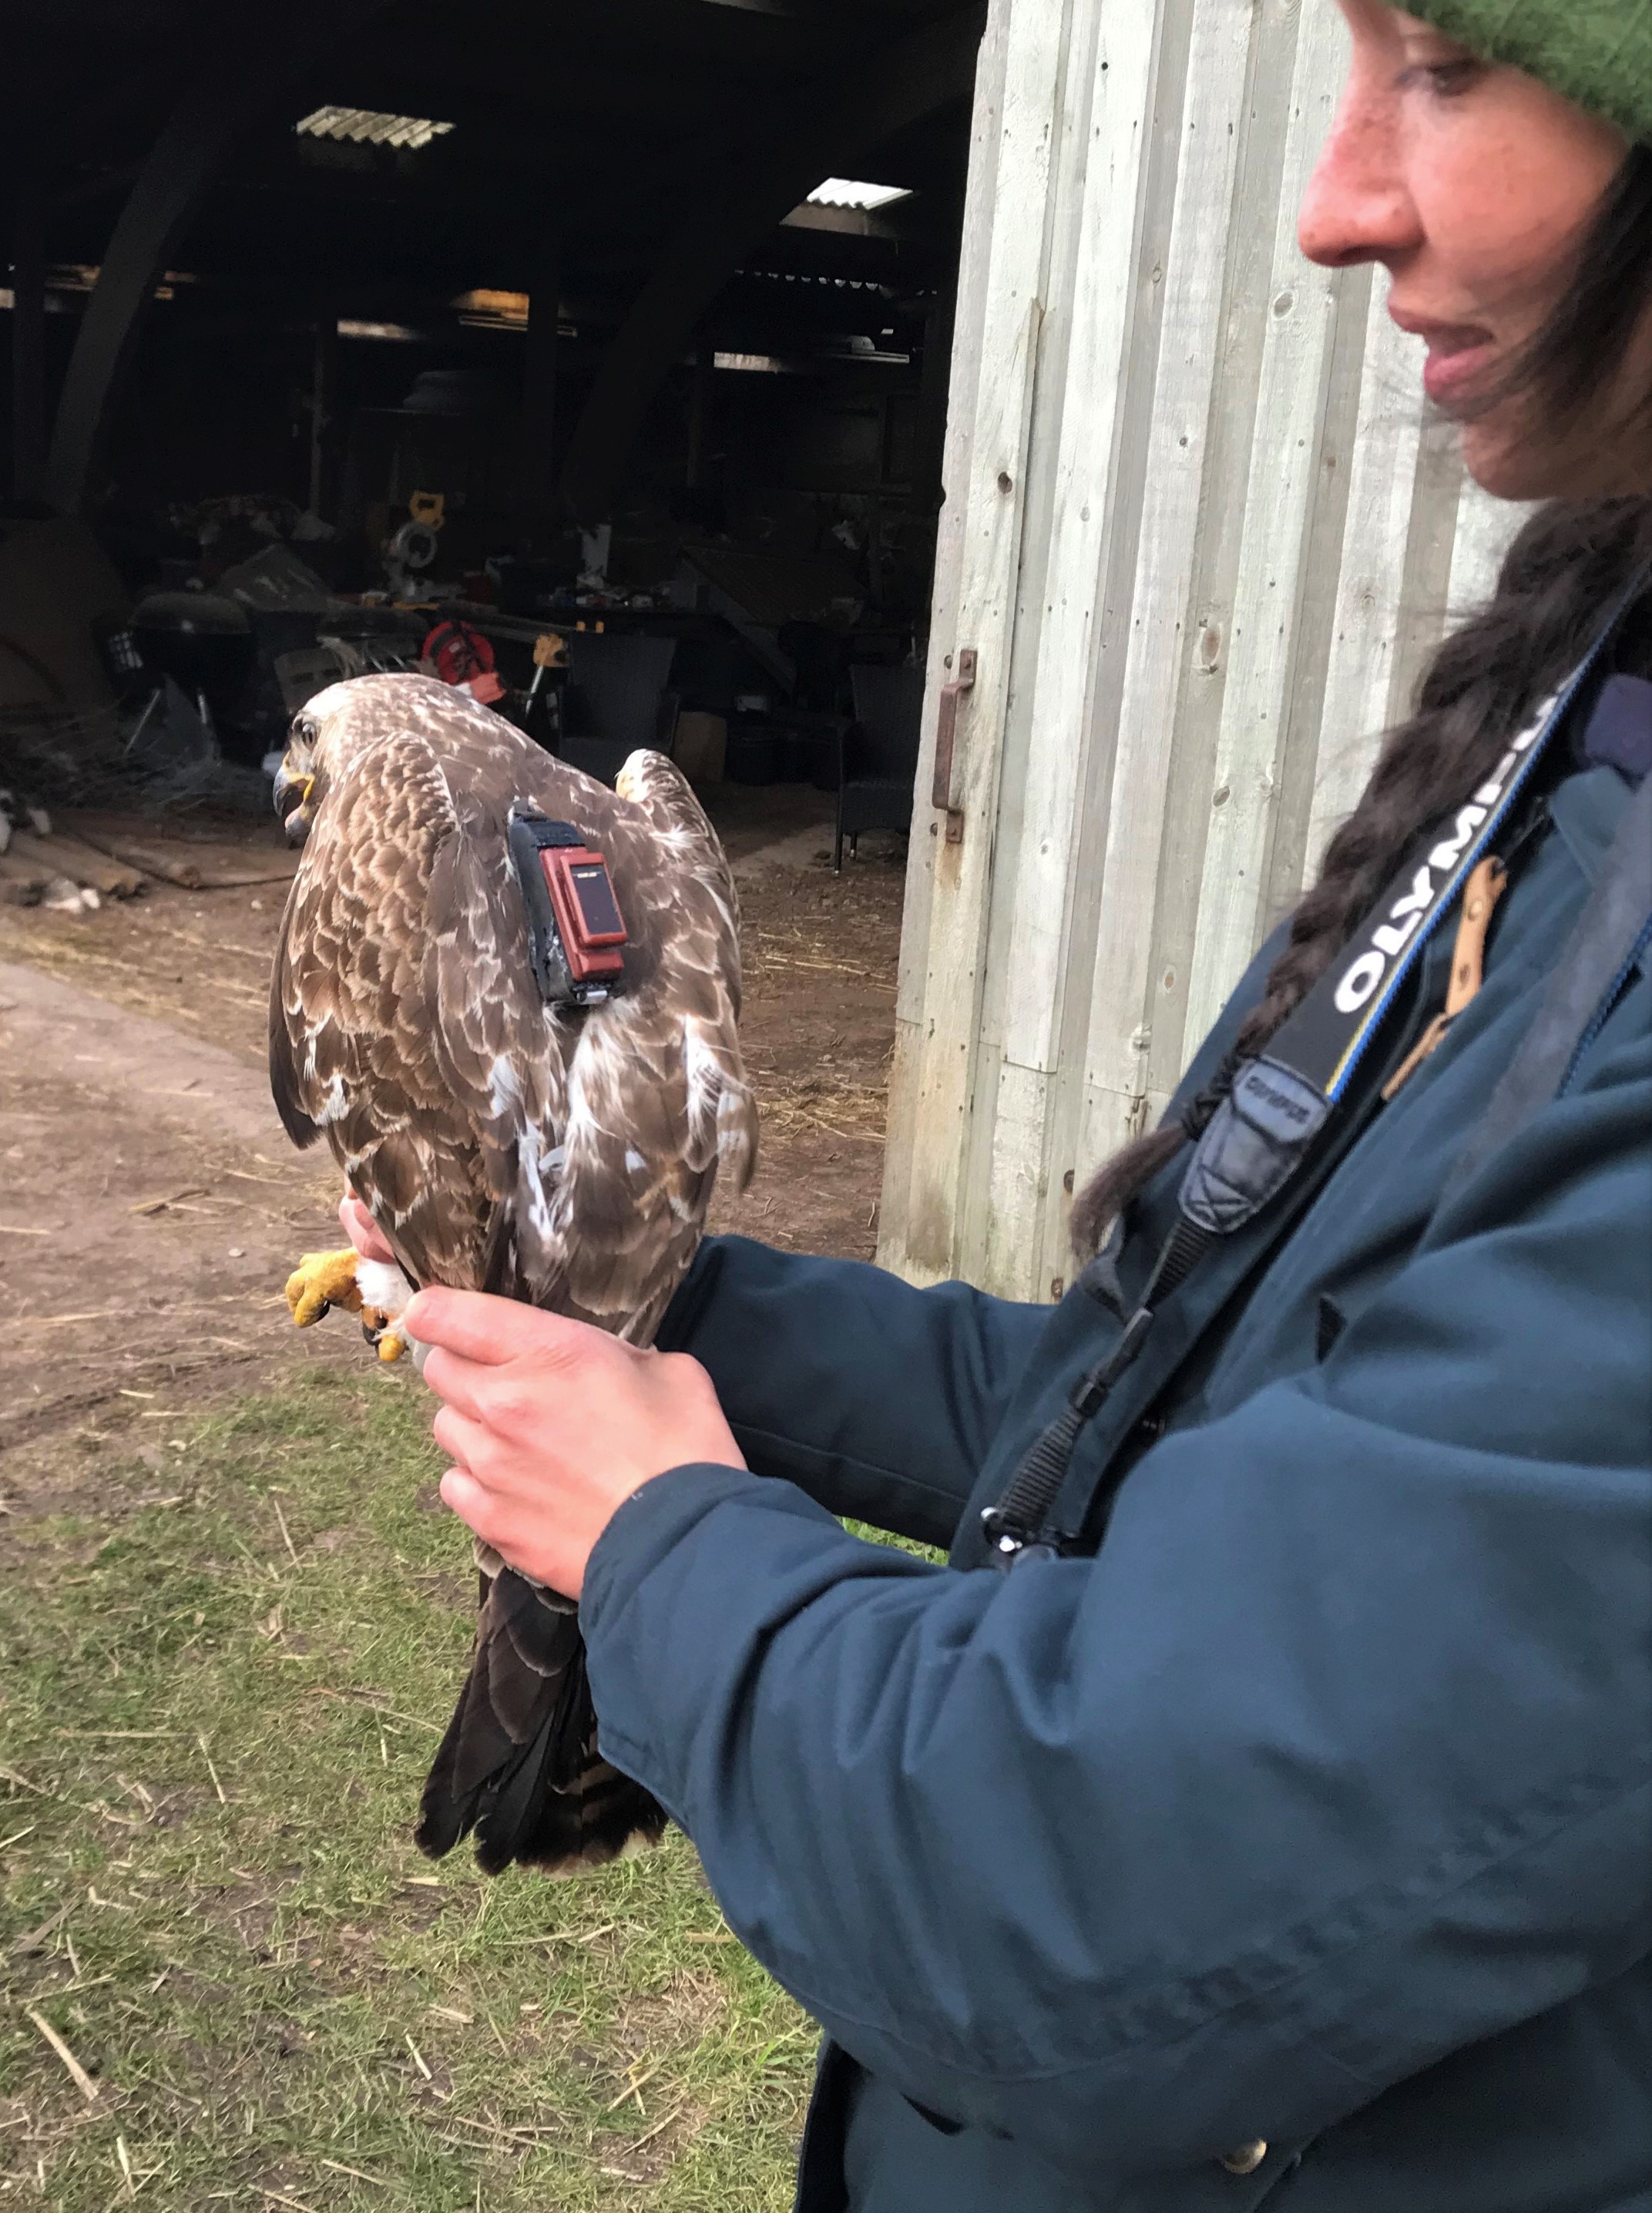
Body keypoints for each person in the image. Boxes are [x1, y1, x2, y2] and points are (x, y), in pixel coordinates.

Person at [344, 5, 1652, 2205]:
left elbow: (1113, 1894)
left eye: (1433, 69)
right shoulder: (1579, 740)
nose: (1332, 201)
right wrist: (660, 1310)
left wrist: (662, 1544)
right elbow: (1236, 1461)